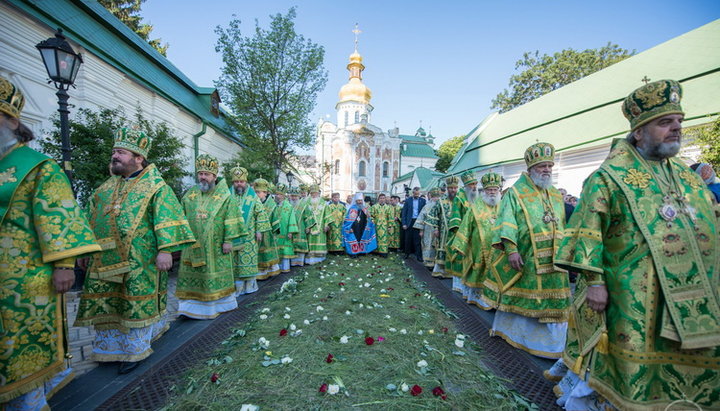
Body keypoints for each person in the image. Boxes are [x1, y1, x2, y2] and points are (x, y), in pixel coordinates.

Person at [549, 80, 720, 410]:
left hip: (691, 296)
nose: (676, 128)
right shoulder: (608, 177)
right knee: (623, 366)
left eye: (679, 121)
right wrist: (595, 282)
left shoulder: (687, 177)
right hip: (630, 295)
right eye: (665, 122)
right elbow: (586, 231)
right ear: (639, 131)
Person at [0, 77, 101, 409]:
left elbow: (59, 216)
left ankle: (30, 400)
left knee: (22, 350)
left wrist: (64, 265)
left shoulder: (40, 168)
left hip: (26, 280)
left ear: (11, 121)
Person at [76, 126, 195, 374]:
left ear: (138, 158)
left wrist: (166, 250)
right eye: (114, 152)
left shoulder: (156, 187)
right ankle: (109, 349)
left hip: (140, 261)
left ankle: (134, 350)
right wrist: (85, 251)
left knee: (134, 304)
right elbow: (88, 218)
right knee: (109, 304)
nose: (115, 156)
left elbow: (168, 218)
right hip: (102, 260)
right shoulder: (105, 187)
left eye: (120, 152)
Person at [481, 142, 570, 359]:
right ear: (530, 169)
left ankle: (552, 344)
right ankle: (517, 334)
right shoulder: (515, 193)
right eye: (542, 166)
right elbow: (507, 221)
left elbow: (562, 224)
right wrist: (511, 250)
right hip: (527, 256)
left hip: (555, 257)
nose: (547, 170)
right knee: (523, 299)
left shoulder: (556, 195)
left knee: (554, 302)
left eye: (549, 165)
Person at [177, 155, 244, 319]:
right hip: (191, 247)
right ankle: (189, 309)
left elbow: (232, 219)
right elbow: (181, 216)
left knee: (213, 275)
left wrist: (228, 241)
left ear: (214, 176)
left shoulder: (225, 196)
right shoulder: (190, 194)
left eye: (206, 174)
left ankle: (216, 306)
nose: (202, 177)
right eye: (200, 173)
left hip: (216, 247)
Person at [449, 172, 502, 308]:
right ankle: (477, 298)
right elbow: (465, 226)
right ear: (484, 191)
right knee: (479, 272)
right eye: (489, 190)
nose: (492, 192)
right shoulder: (475, 207)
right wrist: (461, 245)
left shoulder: (503, 207)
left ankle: (492, 299)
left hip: (498, 249)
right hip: (478, 248)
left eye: (495, 190)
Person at [230, 166, 271, 295]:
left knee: (249, 262)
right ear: (233, 183)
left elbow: (261, 213)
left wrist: (259, 230)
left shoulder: (253, 197)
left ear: (246, 182)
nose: (239, 184)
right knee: (234, 263)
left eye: (241, 181)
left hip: (250, 237)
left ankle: (250, 287)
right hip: (232, 236)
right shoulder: (227, 195)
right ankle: (237, 289)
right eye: (236, 182)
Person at [446, 171, 479, 291]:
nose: (474, 186)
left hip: (476, 235)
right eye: (471, 184)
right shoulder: (459, 197)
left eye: (475, 183)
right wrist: (460, 235)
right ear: (466, 186)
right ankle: (459, 286)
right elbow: (455, 218)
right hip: (462, 235)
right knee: (461, 260)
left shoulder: (477, 197)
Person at [426, 178, 458, 277]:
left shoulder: (460, 201)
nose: (453, 190)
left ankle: (453, 272)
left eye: (455, 188)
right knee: (442, 249)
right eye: (451, 188)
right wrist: (436, 228)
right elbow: (434, 214)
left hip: (457, 231)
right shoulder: (441, 201)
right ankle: (440, 271)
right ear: (447, 189)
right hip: (444, 231)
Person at [253, 178, 280, 279]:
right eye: (256, 192)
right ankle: (259, 273)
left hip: (268, 233)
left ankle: (269, 271)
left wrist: (275, 230)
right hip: (254, 231)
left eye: (260, 192)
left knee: (267, 253)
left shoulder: (271, 204)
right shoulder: (252, 202)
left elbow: (275, 218)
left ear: (265, 193)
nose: (258, 194)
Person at [272, 184, 298, 272]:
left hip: (285, 231)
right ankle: (277, 268)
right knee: (276, 249)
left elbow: (292, 219)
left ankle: (285, 267)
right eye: (276, 194)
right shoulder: (273, 205)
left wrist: (291, 231)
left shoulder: (289, 206)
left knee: (285, 249)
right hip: (276, 232)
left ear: (283, 196)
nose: (277, 196)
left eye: (279, 194)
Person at [413, 188, 440, 270]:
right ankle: (429, 263)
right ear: (431, 197)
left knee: (438, 246)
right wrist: (421, 230)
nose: (436, 198)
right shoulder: (427, 206)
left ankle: (438, 263)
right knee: (428, 246)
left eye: (437, 197)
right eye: (434, 197)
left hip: (439, 230)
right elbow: (421, 218)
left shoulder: (442, 206)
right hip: (428, 230)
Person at [303, 185, 330, 265]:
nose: (314, 195)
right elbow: (304, 216)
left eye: (315, 193)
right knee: (310, 242)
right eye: (312, 193)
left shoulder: (323, 203)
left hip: (321, 227)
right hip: (310, 227)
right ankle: (310, 259)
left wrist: (326, 225)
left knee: (319, 241)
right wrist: (307, 226)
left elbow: (327, 215)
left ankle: (320, 258)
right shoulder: (306, 203)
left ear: (318, 193)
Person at [401, 187, 426, 261]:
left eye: (418, 194)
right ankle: (407, 254)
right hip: (410, 221)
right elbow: (404, 213)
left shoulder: (423, 201)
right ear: (413, 193)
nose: (417, 195)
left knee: (417, 239)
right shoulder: (408, 201)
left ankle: (418, 255)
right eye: (415, 194)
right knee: (408, 239)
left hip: (418, 221)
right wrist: (404, 223)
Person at [289, 187, 309, 266]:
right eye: (292, 196)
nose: (294, 198)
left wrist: (308, 227)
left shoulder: (303, 205)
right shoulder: (288, 204)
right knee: (291, 245)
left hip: (301, 227)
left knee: (300, 244)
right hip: (290, 228)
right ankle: (292, 262)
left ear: (299, 196)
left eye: (295, 196)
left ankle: (300, 262)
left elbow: (308, 216)